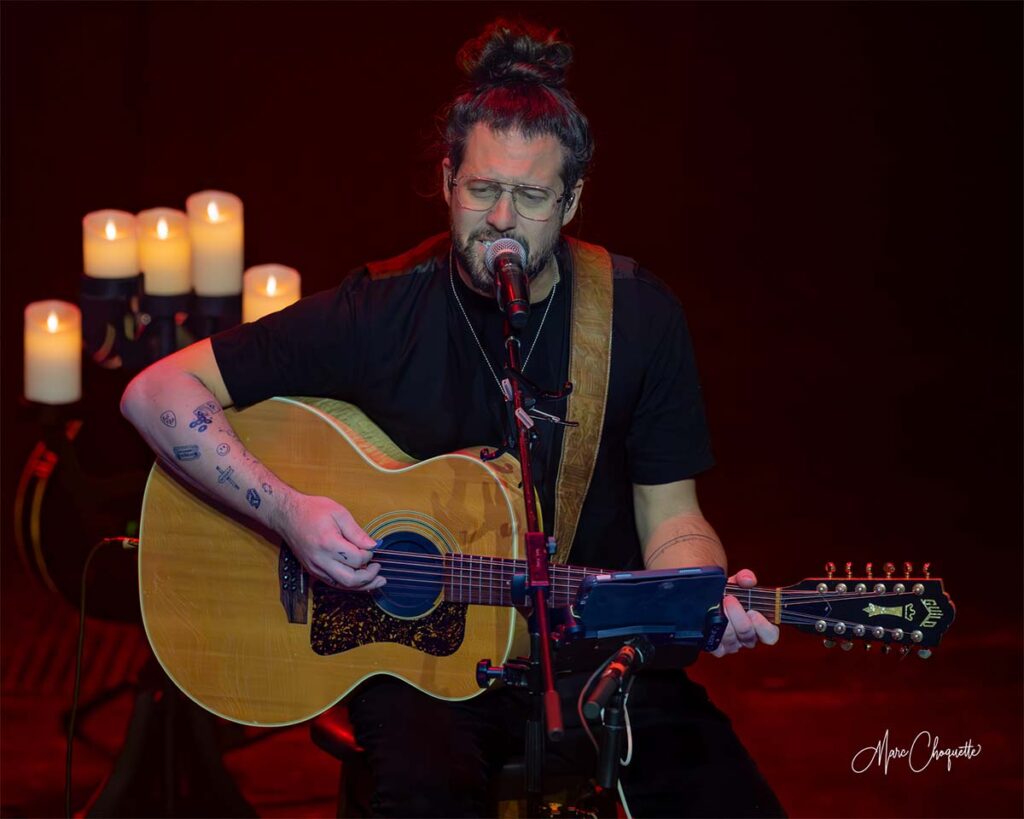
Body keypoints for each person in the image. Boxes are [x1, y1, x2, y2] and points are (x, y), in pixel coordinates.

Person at [121, 18, 784, 818]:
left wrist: (702, 592)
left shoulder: (638, 318)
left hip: (591, 658)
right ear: (446, 180)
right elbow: (155, 393)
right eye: (481, 189)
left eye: (531, 197)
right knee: (424, 791)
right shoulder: (378, 310)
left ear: (572, 199)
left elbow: (672, 515)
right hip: (418, 668)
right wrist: (291, 515)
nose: (501, 217)